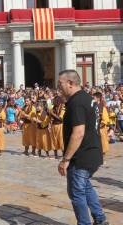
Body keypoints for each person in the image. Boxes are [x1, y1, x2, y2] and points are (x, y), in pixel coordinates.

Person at [57, 70, 108, 225]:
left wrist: (66, 159)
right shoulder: (87, 98)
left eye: (60, 84)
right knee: (85, 187)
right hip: (92, 152)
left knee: (76, 192)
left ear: (71, 83)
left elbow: (78, 133)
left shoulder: (77, 102)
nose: (58, 88)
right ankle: (100, 219)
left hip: (81, 156)